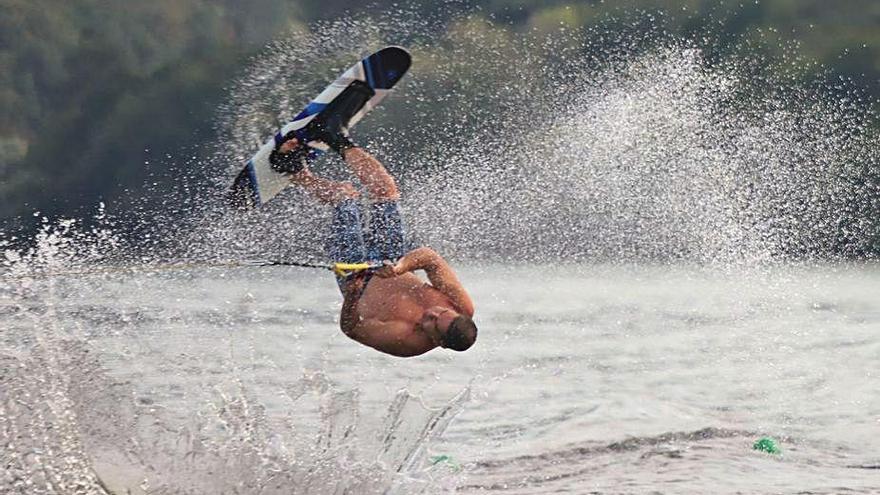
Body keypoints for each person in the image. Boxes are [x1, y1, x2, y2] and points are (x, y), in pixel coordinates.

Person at [269, 82, 477, 357]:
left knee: (346, 196)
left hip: (356, 273)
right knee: (385, 191)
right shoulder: (461, 305)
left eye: (431, 322)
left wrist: (353, 295)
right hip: (391, 258)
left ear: (437, 341)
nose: (431, 312)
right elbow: (430, 258)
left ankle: (294, 171)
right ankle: (334, 134)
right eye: (440, 312)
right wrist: (401, 266)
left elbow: (352, 329)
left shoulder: (404, 341)